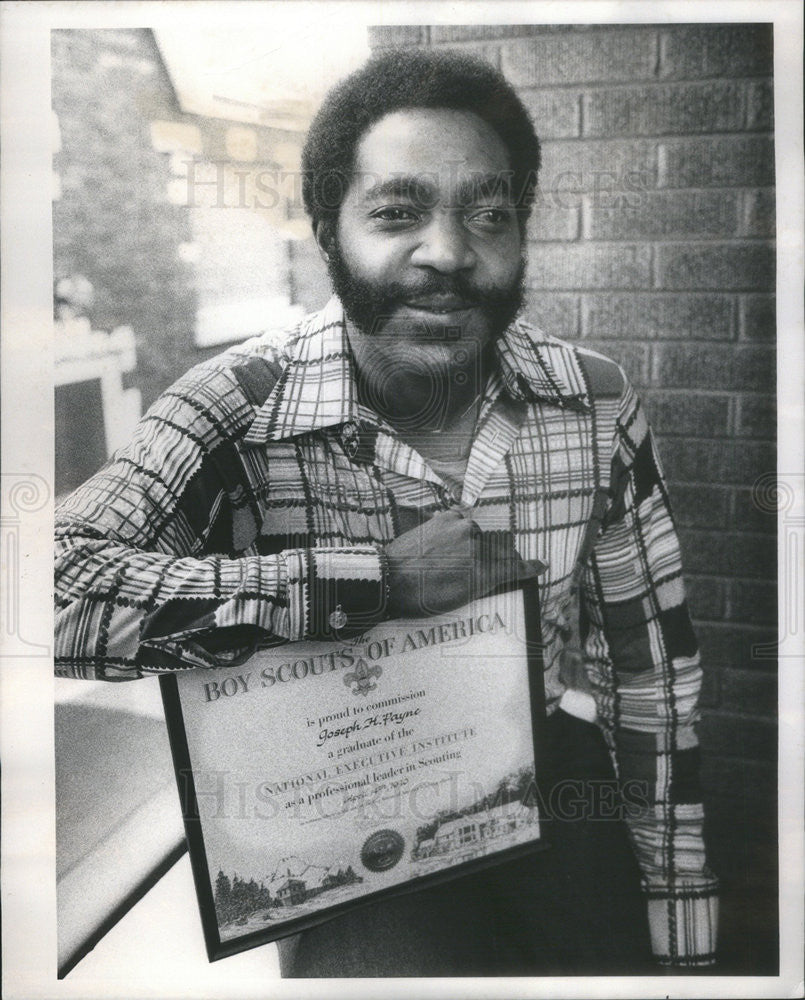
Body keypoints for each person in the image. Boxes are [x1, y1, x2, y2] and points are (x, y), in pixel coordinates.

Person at [54, 48, 718, 975]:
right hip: (337, 794)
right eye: (396, 213)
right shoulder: (239, 405)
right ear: (328, 231)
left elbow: (649, 672)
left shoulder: (592, 401)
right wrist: (368, 585)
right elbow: (40, 595)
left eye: (487, 214)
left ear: (521, 233)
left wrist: (677, 909)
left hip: (543, 763)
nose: (447, 252)